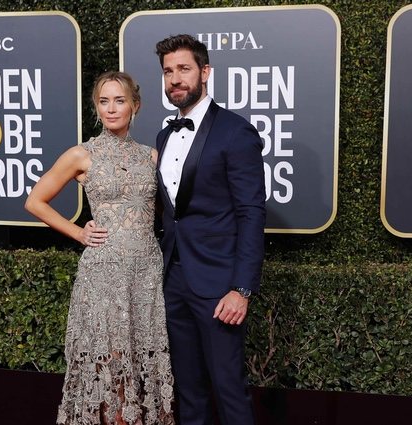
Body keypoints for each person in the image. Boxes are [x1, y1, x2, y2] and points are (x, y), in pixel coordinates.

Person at [25, 71, 175, 425]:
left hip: (147, 271)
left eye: (119, 101)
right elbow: (36, 201)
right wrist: (78, 233)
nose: (111, 109)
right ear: (96, 107)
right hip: (103, 271)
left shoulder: (151, 157)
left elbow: (167, 214)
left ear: (134, 106)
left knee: (143, 360)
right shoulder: (81, 155)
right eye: (104, 101)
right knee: (110, 362)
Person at [155, 34, 266, 425]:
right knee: (188, 389)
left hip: (220, 285)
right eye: (168, 72)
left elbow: (251, 213)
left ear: (205, 72)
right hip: (174, 278)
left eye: (183, 69)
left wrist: (242, 289)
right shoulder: (164, 136)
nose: (175, 80)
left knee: (229, 388)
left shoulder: (236, 133)